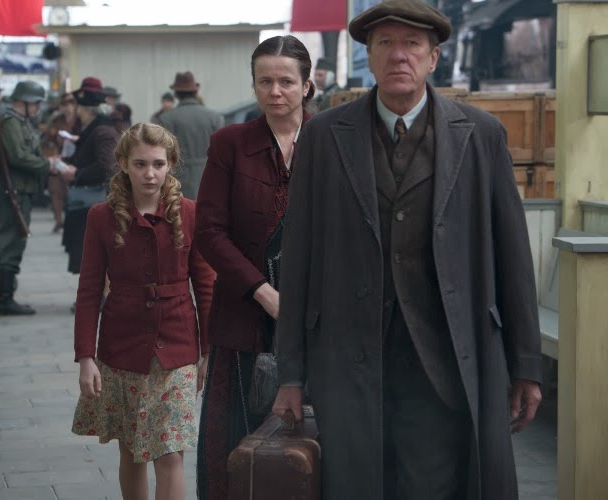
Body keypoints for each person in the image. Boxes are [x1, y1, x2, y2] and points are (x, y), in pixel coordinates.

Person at [273, 1, 543, 499]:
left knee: (433, 487)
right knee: (354, 485)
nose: (399, 55)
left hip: (443, 361)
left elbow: (513, 257)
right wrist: (290, 372)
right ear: (370, 58)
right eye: (386, 44)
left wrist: (526, 363)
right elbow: (300, 257)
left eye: (412, 44)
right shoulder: (324, 137)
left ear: (434, 57)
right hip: (348, 359)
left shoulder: (481, 136)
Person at [193, 35, 314, 500]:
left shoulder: (329, 141)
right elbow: (208, 232)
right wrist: (262, 292)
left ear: (307, 84)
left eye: (286, 81)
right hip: (242, 317)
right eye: (265, 81)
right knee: (232, 445)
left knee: (307, 443)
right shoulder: (231, 143)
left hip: (315, 318)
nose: (275, 91)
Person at [72, 122, 215, 500]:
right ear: (122, 163)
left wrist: (208, 351)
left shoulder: (190, 213)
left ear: (171, 164)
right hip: (122, 349)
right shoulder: (101, 217)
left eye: (157, 163)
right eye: (139, 164)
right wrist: (86, 357)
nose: (149, 174)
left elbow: (206, 286)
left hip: (178, 348)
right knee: (132, 450)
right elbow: (88, 291)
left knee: (170, 453)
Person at [0, 80, 52, 316]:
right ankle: (2, 300)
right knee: (11, 242)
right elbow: (18, 156)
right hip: (13, 192)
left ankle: (5, 296)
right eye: (36, 103)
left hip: (20, 191)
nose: (38, 108)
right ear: (24, 102)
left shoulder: (19, 121)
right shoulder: (10, 122)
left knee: (15, 240)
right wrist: (47, 165)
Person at [57, 77, 120, 278]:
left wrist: (77, 173)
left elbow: (106, 166)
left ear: (87, 111)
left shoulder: (102, 130)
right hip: (87, 201)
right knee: (89, 253)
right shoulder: (94, 129)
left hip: (94, 200)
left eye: (79, 109)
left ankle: (98, 298)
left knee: (95, 254)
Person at [155, 71, 224, 200]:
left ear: (175, 94)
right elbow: (222, 152)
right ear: (196, 92)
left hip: (178, 179)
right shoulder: (215, 117)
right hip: (210, 178)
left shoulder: (166, 119)